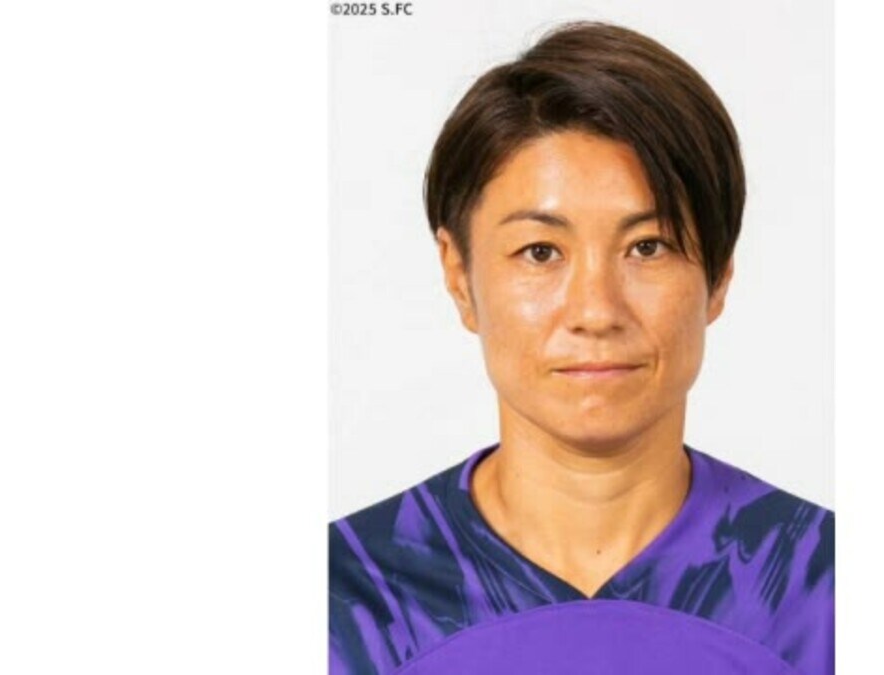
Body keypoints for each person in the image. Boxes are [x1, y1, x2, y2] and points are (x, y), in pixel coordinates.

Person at [329, 20, 833, 675]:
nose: (596, 311)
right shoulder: (347, 601)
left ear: (719, 274)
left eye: (647, 247)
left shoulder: (822, 590)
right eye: (540, 252)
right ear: (459, 275)